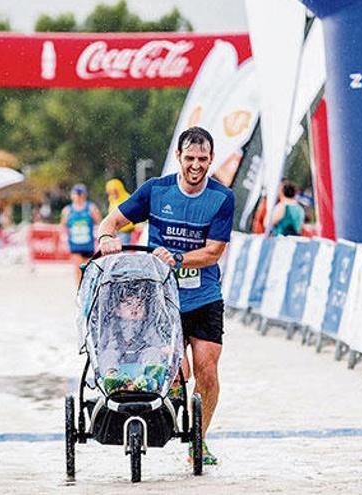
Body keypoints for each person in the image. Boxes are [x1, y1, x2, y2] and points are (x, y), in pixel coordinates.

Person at [97, 126, 233, 467]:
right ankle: (165, 417)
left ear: (211, 159)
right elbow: (110, 222)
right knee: (176, 371)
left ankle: (198, 443)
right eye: (190, 158)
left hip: (203, 295)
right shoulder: (156, 191)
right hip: (161, 299)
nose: (196, 165)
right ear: (179, 157)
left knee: (207, 370)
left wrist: (178, 258)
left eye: (203, 159)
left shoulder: (221, 198)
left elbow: (214, 251)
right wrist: (106, 238)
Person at [61, 184, 102, 284]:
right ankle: (80, 293)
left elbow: (99, 223)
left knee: (88, 270)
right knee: (78, 269)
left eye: (80, 195)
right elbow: (63, 225)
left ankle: (88, 290)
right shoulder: (67, 210)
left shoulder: (91, 207)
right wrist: (64, 238)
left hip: (88, 244)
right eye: (76, 194)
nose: (78, 197)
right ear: (72, 196)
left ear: (84, 195)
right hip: (75, 244)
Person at [105, 179, 135, 244]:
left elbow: (135, 214)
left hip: (125, 232)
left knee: (123, 251)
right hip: (116, 233)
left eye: (115, 190)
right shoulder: (112, 200)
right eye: (111, 191)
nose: (113, 192)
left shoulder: (126, 199)